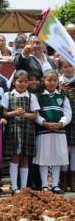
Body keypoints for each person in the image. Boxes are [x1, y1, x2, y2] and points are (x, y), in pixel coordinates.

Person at [1, 70, 39, 194]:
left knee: (25, 157)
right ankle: (14, 185)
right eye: (20, 81)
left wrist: (24, 114)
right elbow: (4, 113)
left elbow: (34, 115)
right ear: (14, 82)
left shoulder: (31, 96)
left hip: (27, 129)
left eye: (25, 81)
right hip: (13, 129)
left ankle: (23, 187)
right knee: (15, 156)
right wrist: (15, 113)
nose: (22, 84)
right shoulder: (8, 95)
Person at [34, 69, 71, 194]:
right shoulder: (39, 96)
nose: (52, 82)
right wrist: (44, 123)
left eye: (54, 80)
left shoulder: (62, 97)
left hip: (59, 131)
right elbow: (36, 113)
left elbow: (68, 113)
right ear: (44, 81)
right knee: (44, 158)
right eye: (49, 80)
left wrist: (61, 123)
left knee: (58, 157)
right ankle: (44, 185)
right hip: (44, 131)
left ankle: (55, 185)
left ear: (57, 82)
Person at [58, 58, 75, 191]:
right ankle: (63, 180)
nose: (68, 69)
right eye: (65, 67)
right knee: (64, 149)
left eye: (70, 66)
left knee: (74, 150)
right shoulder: (57, 83)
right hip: (62, 121)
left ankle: (73, 180)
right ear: (61, 69)